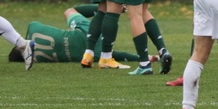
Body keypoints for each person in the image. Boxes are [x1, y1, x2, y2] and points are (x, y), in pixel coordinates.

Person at [11, 5, 140, 66]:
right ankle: (111, 7)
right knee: (69, 11)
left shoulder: (38, 60)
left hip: (92, 54)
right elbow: (36, 24)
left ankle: (145, 57)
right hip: (84, 32)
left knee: (109, 54)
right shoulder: (32, 28)